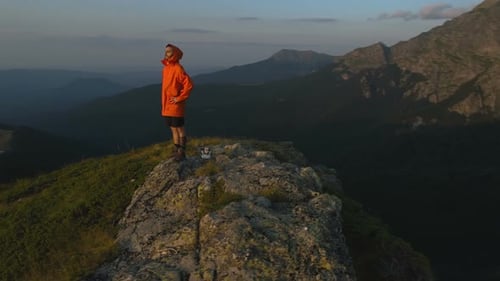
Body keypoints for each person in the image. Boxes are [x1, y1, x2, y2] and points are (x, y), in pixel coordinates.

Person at [161, 43, 193, 161]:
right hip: (167, 104)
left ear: (175, 53)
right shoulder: (166, 68)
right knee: (173, 128)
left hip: (176, 105)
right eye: (166, 51)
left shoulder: (178, 68)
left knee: (179, 128)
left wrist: (179, 98)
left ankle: (182, 151)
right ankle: (176, 150)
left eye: (169, 51)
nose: (166, 53)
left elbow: (189, 85)